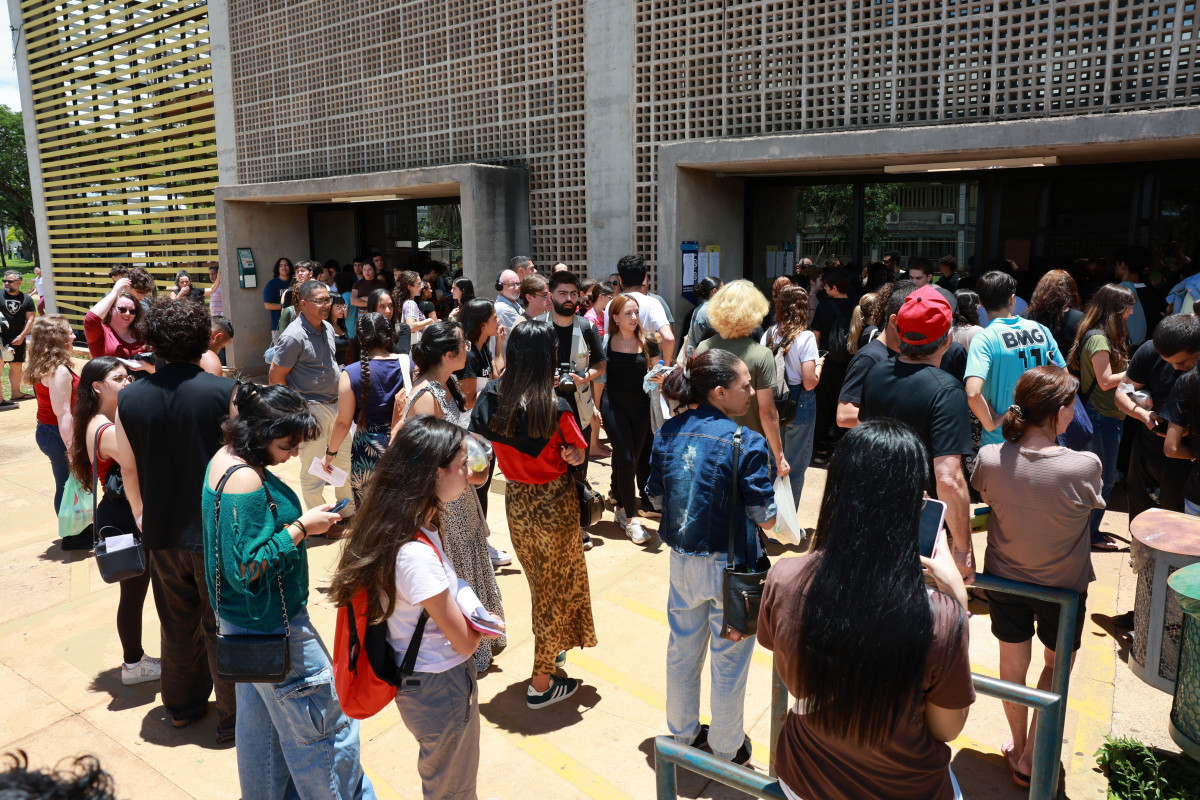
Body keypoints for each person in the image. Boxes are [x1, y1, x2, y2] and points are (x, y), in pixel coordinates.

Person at [758, 419, 972, 800]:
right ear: (917, 503)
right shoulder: (940, 617)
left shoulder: (785, 577)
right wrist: (957, 600)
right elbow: (946, 730)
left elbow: (793, 679)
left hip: (803, 777)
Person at [203, 383, 374, 799]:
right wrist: (301, 529)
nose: (294, 453)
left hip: (246, 629)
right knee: (327, 735)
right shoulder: (244, 479)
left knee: (261, 738)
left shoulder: (225, 458)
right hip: (273, 626)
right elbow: (244, 568)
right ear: (257, 433)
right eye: (286, 444)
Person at [330, 417, 502, 800]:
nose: (469, 471)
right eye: (461, 462)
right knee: (452, 792)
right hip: (439, 686)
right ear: (432, 473)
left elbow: (447, 586)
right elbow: (464, 643)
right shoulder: (414, 555)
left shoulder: (410, 522)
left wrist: (468, 605)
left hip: (429, 682)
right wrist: (482, 625)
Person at [969, 366, 1101, 787]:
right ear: (1061, 413)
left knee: (1013, 667)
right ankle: (1031, 759)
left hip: (1005, 582)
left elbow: (988, 495)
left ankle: (1018, 743)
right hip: (1063, 589)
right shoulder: (1084, 465)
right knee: (1055, 666)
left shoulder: (990, 457)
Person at [113, 298, 238, 740]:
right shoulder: (224, 393)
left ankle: (182, 706)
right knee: (223, 622)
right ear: (203, 339)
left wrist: (141, 515)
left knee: (176, 621)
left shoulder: (129, 398)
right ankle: (232, 716)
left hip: (161, 530)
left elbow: (128, 467)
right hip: (216, 528)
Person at [648, 349, 778, 765]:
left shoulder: (668, 432)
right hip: (735, 568)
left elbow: (654, 496)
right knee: (730, 659)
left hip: (683, 560)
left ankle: (683, 735)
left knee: (682, 647)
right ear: (720, 392)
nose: (751, 392)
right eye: (745, 386)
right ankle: (725, 747)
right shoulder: (748, 441)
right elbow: (767, 518)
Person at [469, 321, 596, 708]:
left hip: (517, 502)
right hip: (555, 504)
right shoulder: (555, 406)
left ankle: (554, 650)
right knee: (553, 591)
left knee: (540, 585)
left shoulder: (492, 395)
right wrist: (575, 454)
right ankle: (541, 683)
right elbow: (578, 449)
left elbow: (477, 452)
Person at [404, 322, 507, 673]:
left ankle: (484, 639)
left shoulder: (444, 386)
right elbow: (424, 458)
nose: (468, 350)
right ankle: (468, 648)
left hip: (460, 494)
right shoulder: (425, 396)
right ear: (449, 355)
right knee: (456, 569)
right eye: (463, 345)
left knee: (470, 559)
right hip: (444, 502)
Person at [860, 286, 976, 581]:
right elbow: (948, 477)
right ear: (947, 339)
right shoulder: (948, 390)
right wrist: (963, 549)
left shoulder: (876, 373)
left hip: (874, 506)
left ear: (899, 329)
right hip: (923, 526)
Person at [67, 357, 159, 683]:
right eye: (119, 378)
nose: (128, 382)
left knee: (136, 590)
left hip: (122, 513)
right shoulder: (103, 426)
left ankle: (136, 661)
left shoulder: (103, 417)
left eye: (128, 377)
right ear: (98, 386)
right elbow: (139, 457)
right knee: (133, 593)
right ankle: (133, 664)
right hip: (125, 516)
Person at [270, 280, 355, 527]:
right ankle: (319, 525)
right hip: (311, 409)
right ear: (304, 304)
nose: (326, 305)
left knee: (341, 463)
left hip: (336, 407)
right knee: (313, 471)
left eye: (328, 299)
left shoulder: (327, 327)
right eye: (320, 300)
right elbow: (276, 378)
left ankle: (345, 514)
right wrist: (298, 413)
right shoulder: (293, 336)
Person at [695, 280, 790, 479]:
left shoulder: (703, 348)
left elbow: (695, 404)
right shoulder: (761, 355)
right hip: (750, 449)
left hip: (709, 446)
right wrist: (779, 455)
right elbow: (767, 412)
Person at [1067, 283, 1136, 549]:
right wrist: (1136, 373)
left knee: (1099, 480)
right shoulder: (1098, 338)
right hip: (1101, 415)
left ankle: (1087, 531)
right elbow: (1105, 381)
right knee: (1103, 481)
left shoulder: (1100, 335)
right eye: (1127, 308)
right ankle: (1089, 535)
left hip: (1107, 415)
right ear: (1114, 310)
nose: (1130, 313)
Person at [965, 270, 1066, 450]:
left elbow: (973, 393)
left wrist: (991, 423)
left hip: (1000, 442)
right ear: (1012, 299)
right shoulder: (1041, 330)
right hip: (1042, 437)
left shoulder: (984, 339)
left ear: (980, 302)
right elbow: (1064, 380)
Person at [324, 312, 413, 508]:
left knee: (370, 511)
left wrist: (330, 454)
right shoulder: (409, 365)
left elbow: (342, 422)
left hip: (367, 448)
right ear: (390, 334)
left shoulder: (351, 373)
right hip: (405, 442)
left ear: (361, 338)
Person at [1121, 314, 1200, 521]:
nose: (1175, 368)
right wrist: (1142, 414)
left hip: (1188, 459)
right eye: (1168, 362)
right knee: (1142, 517)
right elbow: (1122, 392)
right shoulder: (1148, 351)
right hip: (1148, 448)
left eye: (1182, 362)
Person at [600, 294, 660, 544]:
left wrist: (661, 378)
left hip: (641, 406)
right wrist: (594, 408)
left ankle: (621, 508)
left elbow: (657, 373)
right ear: (615, 317)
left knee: (631, 460)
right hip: (612, 405)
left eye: (636, 312)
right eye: (628, 313)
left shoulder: (649, 342)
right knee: (625, 457)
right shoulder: (604, 342)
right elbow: (599, 377)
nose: (634, 317)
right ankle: (632, 518)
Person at [763, 285, 822, 502]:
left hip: (771, 402)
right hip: (800, 402)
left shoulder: (768, 334)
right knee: (795, 466)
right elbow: (809, 382)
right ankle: (786, 526)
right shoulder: (805, 337)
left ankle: (769, 519)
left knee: (772, 462)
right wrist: (819, 365)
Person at [26, 316, 78, 515]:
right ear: (58, 339)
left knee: (65, 484)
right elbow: (62, 412)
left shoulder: (43, 366)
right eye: (69, 333)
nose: (74, 336)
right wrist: (71, 448)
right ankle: (72, 534)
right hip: (58, 434)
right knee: (67, 486)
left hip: (48, 432)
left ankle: (73, 530)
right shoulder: (59, 371)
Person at [809, 266, 855, 462]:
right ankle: (841, 448)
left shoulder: (824, 307)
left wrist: (815, 361)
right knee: (844, 403)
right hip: (850, 363)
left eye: (827, 286)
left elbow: (816, 337)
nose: (825, 290)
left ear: (834, 287)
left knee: (823, 405)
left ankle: (820, 449)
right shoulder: (856, 306)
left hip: (826, 362)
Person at [606, 254, 676, 362]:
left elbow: (608, 338)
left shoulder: (611, 304)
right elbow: (669, 338)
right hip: (645, 370)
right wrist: (665, 367)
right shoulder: (653, 303)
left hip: (615, 370)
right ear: (644, 279)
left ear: (620, 279)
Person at [83, 278, 152, 372]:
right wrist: (114, 293)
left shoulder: (142, 332)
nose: (127, 314)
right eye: (122, 309)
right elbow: (90, 320)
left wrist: (147, 367)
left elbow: (158, 368)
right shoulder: (102, 333)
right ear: (110, 310)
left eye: (132, 311)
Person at [456, 298, 506, 411]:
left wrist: (499, 343)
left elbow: (496, 376)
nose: (498, 320)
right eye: (495, 317)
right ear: (482, 324)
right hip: (468, 421)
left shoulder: (482, 347)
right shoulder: (467, 355)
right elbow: (468, 403)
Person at [1025, 269, 1084, 358]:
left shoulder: (1027, 316)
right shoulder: (1079, 318)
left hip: (1035, 370)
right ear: (1071, 290)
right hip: (1065, 370)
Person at [2, 269, 38, 404]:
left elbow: (30, 319)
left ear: (19, 282)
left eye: (10, 281)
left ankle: (16, 393)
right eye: (4, 281)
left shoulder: (26, 299)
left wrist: (22, 336)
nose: (6, 283)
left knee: (16, 364)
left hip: (18, 338)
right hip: (1, 338)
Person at [686, 276, 724, 353]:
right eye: (723, 290)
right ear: (714, 291)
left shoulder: (699, 309)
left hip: (697, 355)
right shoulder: (713, 311)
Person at [276, 260, 316, 331]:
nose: (300, 273)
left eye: (302, 271)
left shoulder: (318, 288)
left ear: (310, 273)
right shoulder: (291, 291)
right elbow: (284, 315)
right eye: (297, 271)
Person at [262, 257, 292, 343]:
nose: (284, 267)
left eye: (286, 265)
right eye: (281, 265)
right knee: (280, 353)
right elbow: (267, 305)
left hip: (294, 323)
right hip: (278, 325)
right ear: (277, 269)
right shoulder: (272, 284)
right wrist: (285, 307)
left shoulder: (293, 283)